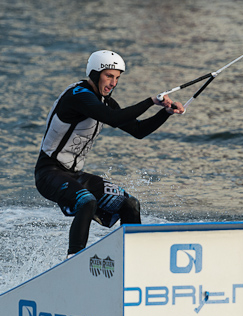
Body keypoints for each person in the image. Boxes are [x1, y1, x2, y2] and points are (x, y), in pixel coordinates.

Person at [35, 50, 184, 258]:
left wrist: (164, 113)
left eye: (117, 78)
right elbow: (113, 118)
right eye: (109, 76)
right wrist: (151, 101)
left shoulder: (105, 102)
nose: (113, 82)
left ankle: (134, 260)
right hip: (49, 173)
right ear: (95, 74)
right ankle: (74, 260)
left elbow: (138, 130)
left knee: (130, 204)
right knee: (86, 201)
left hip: (75, 175)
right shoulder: (79, 96)